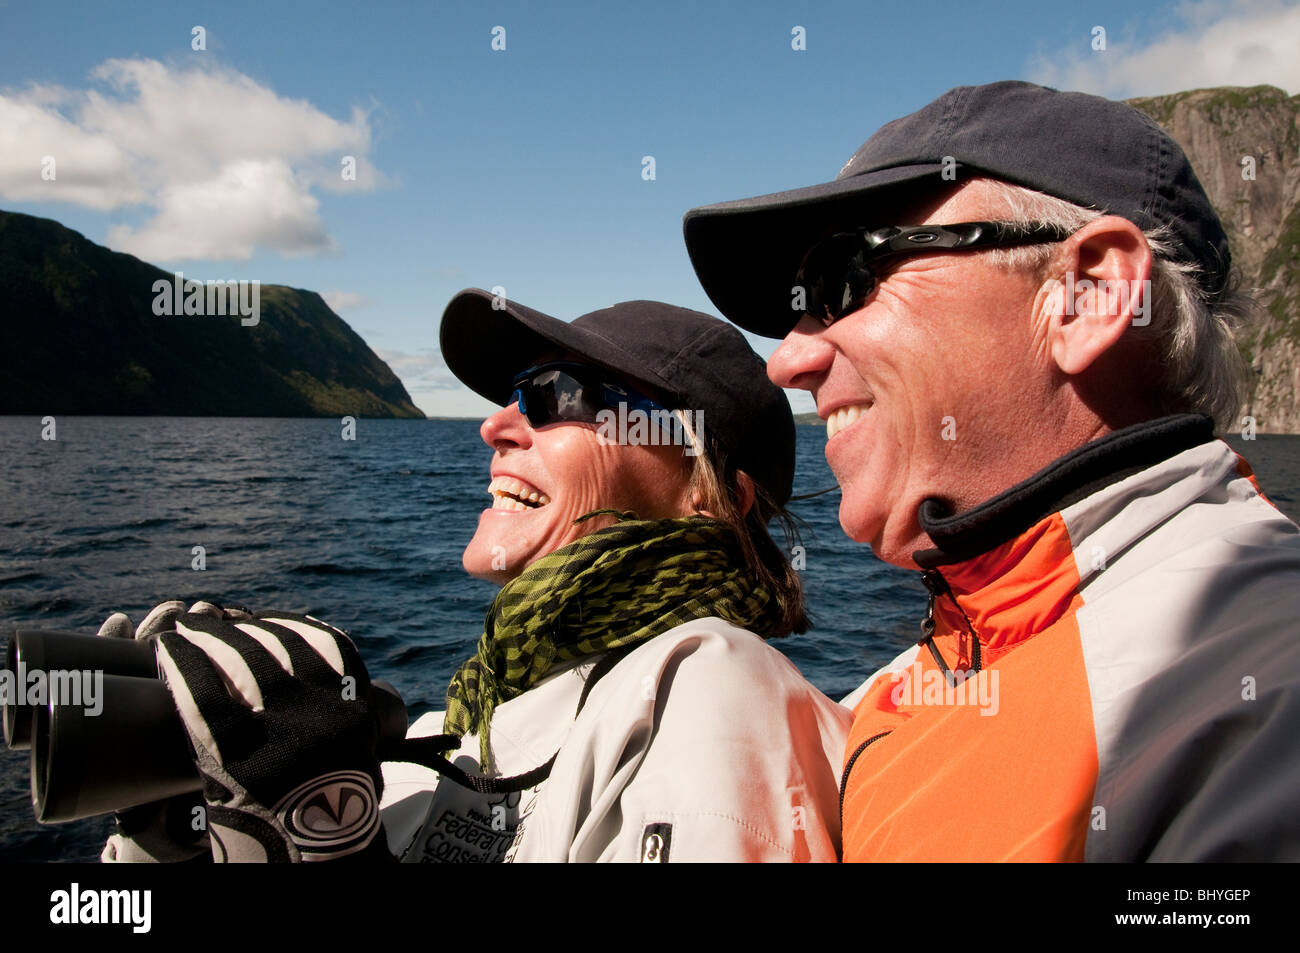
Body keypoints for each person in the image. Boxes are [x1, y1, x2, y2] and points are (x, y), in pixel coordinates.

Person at [681, 80, 1300, 861]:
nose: (789, 361)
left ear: (1088, 294)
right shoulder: (896, 693)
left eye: (848, 279)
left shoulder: (1256, 709)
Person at [102, 289, 851, 863]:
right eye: (513, 394)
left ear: (708, 490)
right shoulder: (466, 717)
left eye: (560, 395)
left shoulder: (711, 689)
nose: (495, 424)